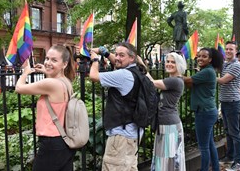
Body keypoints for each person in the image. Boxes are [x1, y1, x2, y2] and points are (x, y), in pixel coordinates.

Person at [15, 45, 76, 171]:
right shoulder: (66, 81)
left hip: (51, 143)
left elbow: (19, 88)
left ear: (64, 64)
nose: (48, 62)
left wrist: (25, 72)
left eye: (54, 60)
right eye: (47, 58)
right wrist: (46, 71)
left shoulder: (51, 83)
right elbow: (53, 85)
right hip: (64, 141)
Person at [89, 42, 144, 171]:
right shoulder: (139, 70)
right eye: (116, 54)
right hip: (133, 132)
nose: (117, 57)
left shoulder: (123, 75)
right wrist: (105, 52)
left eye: (122, 55)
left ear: (132, 58)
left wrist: (95, 60)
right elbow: (118, 62)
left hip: (121, 136)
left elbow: (93, 76)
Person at [140, 52, 187, 171]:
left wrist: (141, 66)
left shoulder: (175, 81)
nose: (169, 64)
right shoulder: (173, 79)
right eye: (168, 61)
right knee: (166, 158)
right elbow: (152, 82)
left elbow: (151, 83)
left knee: (167, 158)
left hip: (169, 125)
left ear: (179, 64)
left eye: (173, 62)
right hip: (166, 124)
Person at [183, 48, 223, 171]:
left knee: (204, 147)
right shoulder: (206, 71)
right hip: (208, 111)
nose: (200, 58)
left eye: (204, 56)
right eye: (199, 56)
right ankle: (215, 168)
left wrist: (177, 74)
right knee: (210, 144)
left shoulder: (207, 72)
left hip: (204, 113)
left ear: (210, 59)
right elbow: (191, 84)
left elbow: (188, 80)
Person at [217, 41, 240, 171]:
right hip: (225, 102)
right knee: (228, 132)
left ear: (235, 51)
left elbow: (222, 80)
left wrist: (207, 76)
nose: (228, 51)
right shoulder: (226, 64)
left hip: (233, 103)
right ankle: (229, 157)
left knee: (234, 133)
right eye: (226, 49)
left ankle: (238, 162)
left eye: (231, 49)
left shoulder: (237, 66)